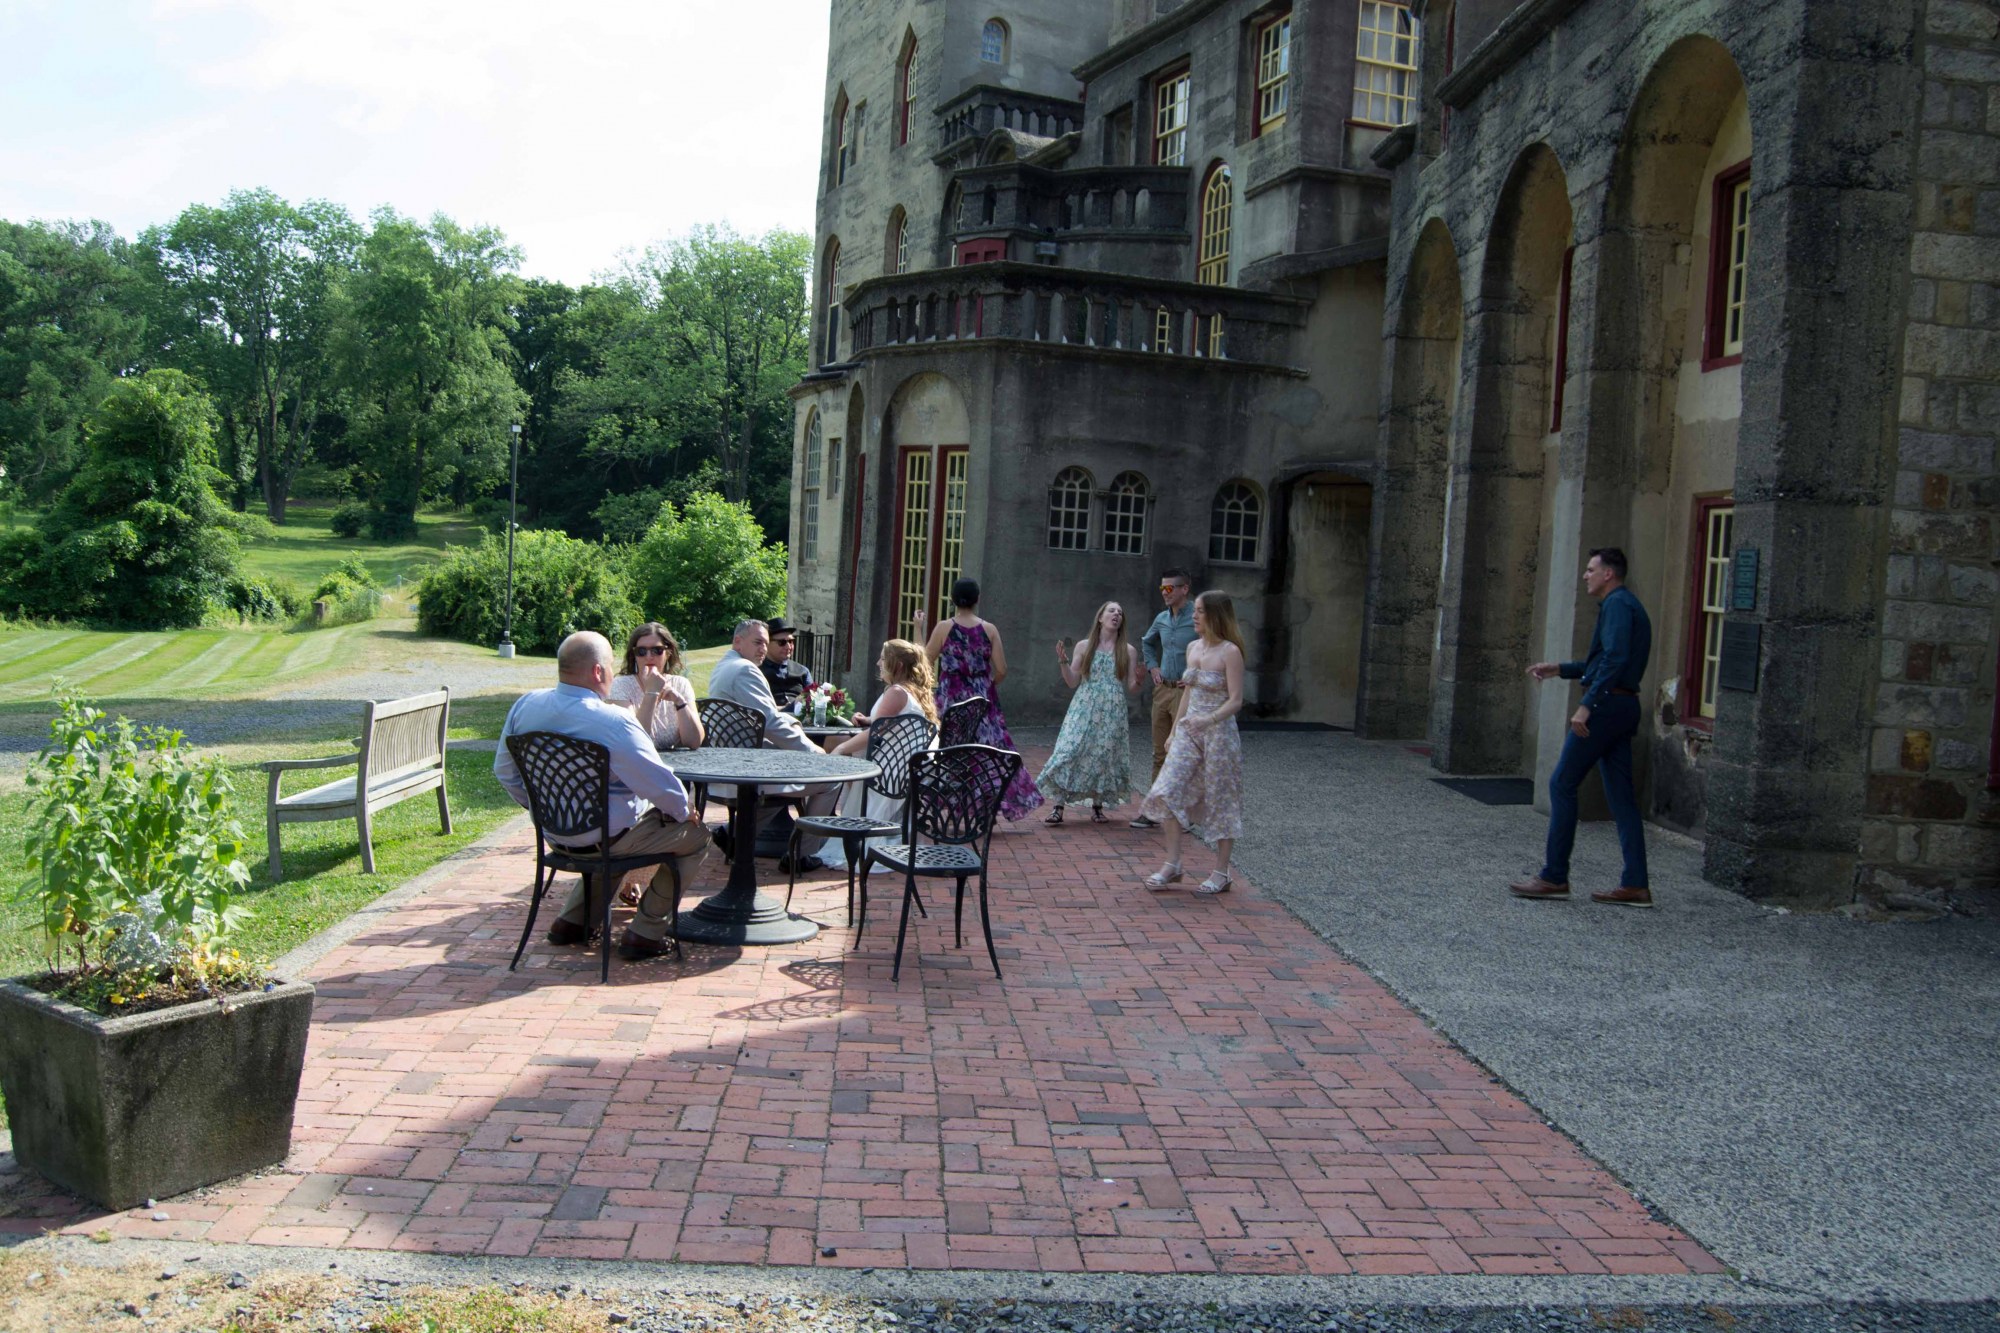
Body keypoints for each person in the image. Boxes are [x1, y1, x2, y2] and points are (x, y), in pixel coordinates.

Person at [493, 631, 708, 961]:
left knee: (619, 833)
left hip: (554, 835)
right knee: (695, 837)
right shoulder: (614, 721)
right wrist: (685, 810)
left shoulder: (525, 706)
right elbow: (658, 783)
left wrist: (541, 809)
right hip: (608, 839)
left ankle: (574, 921)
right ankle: (646, 933)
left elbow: (504, 771)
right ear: (597, 671)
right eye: (608, 666)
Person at [1510, 548, 1655, 907]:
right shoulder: (1625, 605)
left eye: (1591, 570)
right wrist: (1560, 668)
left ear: (1609, 574)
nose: (1585, 575)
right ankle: (1636, 885)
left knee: (1562, 783)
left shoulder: (1618, 604)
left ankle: (1554, 877)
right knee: (1621, 798)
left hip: (1607, 707)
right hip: (1623, 705)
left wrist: (1587, 706)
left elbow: (1615, 659)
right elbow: (1604, 662)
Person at [708, 617, 841, 870]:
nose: (762, 649)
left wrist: (792, 724)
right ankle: (799, 855)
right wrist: (813, 751)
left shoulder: (723, 666)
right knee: (831, 780)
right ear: (738, 642)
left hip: (734, 762)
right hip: (750, 769)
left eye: (765, 643)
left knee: (781, 789)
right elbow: (769, 722)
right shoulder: (745, 670)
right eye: (757, 642)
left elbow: (762, 719)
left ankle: (731, 834)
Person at [1139, 590, 1246, 895]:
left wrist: (1209, 720)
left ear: (1215, 615)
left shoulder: (1230, 652)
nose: (1194, 616)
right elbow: (1188, 691)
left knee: (1221, 799)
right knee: (1166, 790)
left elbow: (1236, 700)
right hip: (1189, 731)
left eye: (1200, 611)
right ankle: (1173, 864)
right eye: (1195, 610)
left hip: (1219, 734)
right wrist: (1175, 731)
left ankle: (1221, 872)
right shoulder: (1192, 647)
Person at [925, 576, 1044, 820]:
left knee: (951, 751)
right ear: (977, 599)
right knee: (988, 750)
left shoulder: (944, 628)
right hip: (982, 697)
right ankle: (983, 805)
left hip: (951, 697)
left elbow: (926, 660)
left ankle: (954, 805)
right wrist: (986, 684)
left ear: (953, 599)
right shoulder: (989, 630)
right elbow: (1002, 669)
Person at [822, 639, 939, 870]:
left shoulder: (896, 692)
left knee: (840, 746)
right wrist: (868, 720)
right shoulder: (912, 691)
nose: (878, 663)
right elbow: (889, 723)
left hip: (888, 769)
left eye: (883, 659)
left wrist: (842, 749)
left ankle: (828, 820)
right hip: (903, 767)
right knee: (847, 746)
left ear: (897, 665)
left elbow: (876, 732)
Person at [1037, 599, 1143, 824]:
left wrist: (1140, 679)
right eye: (1111, 611)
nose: (1116, 614)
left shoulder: (1128, 650)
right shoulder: (1084, 646)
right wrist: (1063, 662)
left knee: (1103, 755)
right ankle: (1058, 806)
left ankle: (1097, 806)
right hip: (1084, 705)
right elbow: (1072, 681)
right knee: (1069, 750)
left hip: (1112, 709)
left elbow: (1133, 688)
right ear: (1100, 617)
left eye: (1120, 612)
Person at [1131, 568, 1198, 829]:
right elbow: (1147, 643)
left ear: (1184, 589)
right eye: (1162, 588)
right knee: (1160, 752)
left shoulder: (1198, 617)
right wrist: (1152, 667)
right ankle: (1154, 810)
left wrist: (1196, 676)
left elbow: (1213, 647)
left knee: (1182, 752)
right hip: (1163, 690)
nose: (1164, 593)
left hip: (1186, 693)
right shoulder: (1161, 618)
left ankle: (1182, 812)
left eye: (1169, 588)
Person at [606, 622, 703, 751]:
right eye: (641, 651)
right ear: (634, 655)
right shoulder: (620, 685)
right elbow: (634, 740)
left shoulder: (680, 684)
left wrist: (679, 702)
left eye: (657, 650)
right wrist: (651, 693)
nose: (649, 657)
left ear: (668, 653)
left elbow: (694, 742)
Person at [761, 617, 815, 712]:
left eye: (791, 641)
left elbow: (814, 698)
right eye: (781, 642)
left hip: (801, 718)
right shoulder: (756, 671)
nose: (788, 646)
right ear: (767, 644)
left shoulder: (803, 671)